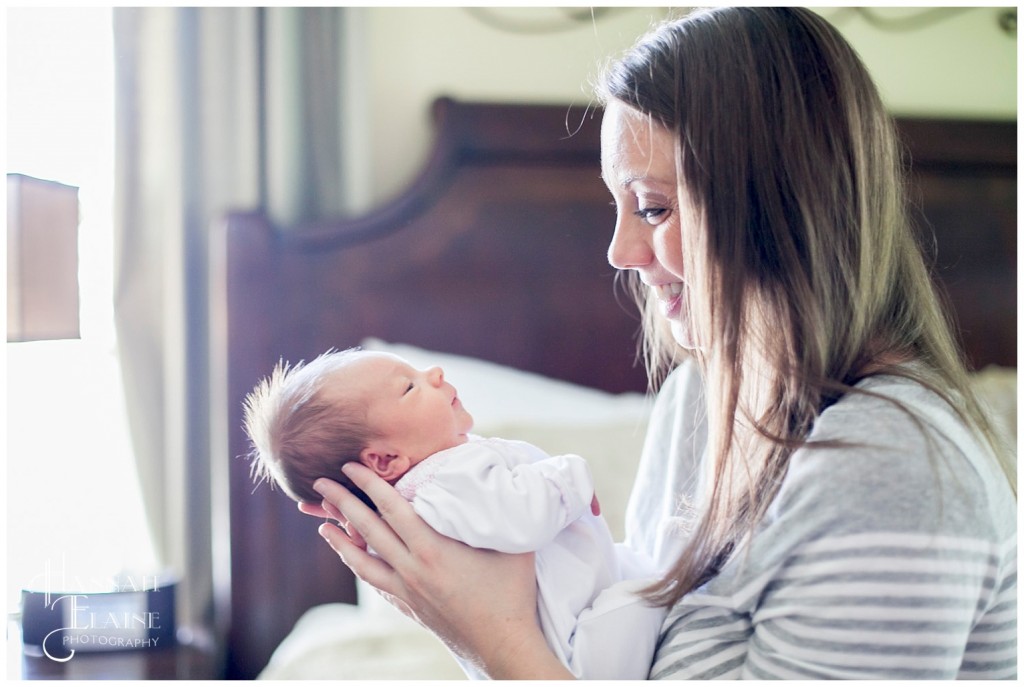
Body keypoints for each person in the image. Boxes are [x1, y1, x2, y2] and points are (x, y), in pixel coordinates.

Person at [301, 7, 1017, 679]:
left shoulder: (889, 470)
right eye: (620, 206)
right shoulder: (698, 403)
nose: (619, 250)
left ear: (775, 203)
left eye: (653, 206)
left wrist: (491, 641)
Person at [243, 348, 665, 679]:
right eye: (408, 387)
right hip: (577, 645)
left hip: (570, 626)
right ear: (386, 460)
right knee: (649, 597)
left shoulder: (436, 485)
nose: (435, 374)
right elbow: (521, 519)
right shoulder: (442, 480)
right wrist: (571, 474)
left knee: (640, 579)